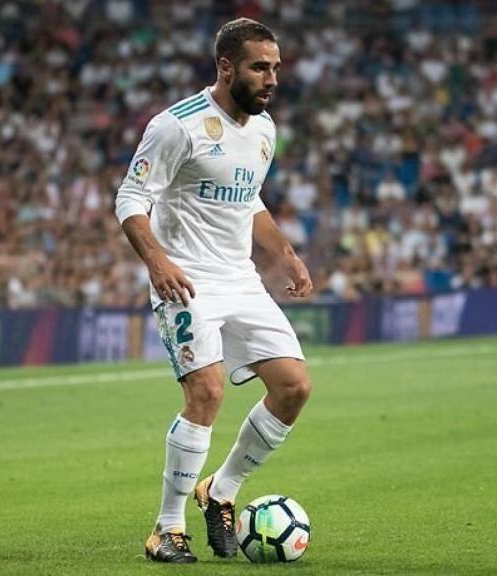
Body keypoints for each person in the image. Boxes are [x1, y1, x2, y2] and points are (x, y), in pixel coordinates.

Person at [115, 18, 313, 564]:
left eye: (275, 67)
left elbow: (248, 201)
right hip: (187, 280)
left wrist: (284, 253)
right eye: (259, 67)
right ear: (226, 67)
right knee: (206, 392)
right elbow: (130, 198)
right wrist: (157, 261)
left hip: (240, 279)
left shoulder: (264, 129)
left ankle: (220, 491)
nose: (271, 78)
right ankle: (167, 529)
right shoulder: (177, 126)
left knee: (294, 387)